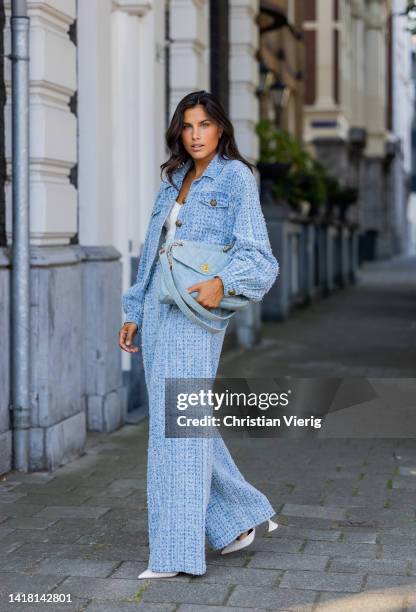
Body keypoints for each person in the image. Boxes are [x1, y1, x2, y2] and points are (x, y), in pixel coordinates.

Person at [118, 90, 280, 579]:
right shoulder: (171, 180)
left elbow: (259, 256)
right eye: (187, 126)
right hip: (158, 307)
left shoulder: (235, 179)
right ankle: (236, 522)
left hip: (196, 312)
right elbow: (153, 248)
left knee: (177, 427)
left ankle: (175, 553)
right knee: (181, 421)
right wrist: (134, 309)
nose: (195, 135)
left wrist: (223, 283)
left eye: (204, 125)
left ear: (221, 129)